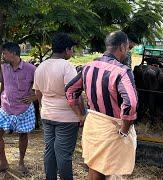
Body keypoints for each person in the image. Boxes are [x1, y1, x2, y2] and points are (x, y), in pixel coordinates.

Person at [65, 31, 138, 180]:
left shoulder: (88, 67)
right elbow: (131, 103)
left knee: (95, 166)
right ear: (123, 47)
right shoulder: (122, 71)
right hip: (113, 128)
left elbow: (70, 90)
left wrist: (81, 115)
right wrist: (125, 129)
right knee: (109, 169)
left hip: (93, 125)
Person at [33, 33, 80, 179]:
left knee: (49, 150)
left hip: (47, 114)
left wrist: (43, 107)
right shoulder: (67, 66)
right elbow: (73, 95)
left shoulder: (41, 66)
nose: (72, 52)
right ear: (67, 49)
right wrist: (81, 114)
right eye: (72, 49)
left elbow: (38, 93)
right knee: (64, 153)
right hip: (66, 117)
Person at [0, 42, 36, 173]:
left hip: (23, 109)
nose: (3, 56)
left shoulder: (31, 69)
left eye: (5, 53)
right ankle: (3, 162)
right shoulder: (3, 67)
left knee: (23, 136)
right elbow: (3, 84)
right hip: (5, 107)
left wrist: (34, 97)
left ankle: (21, 162)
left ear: (13, 53)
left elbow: (40, 87)